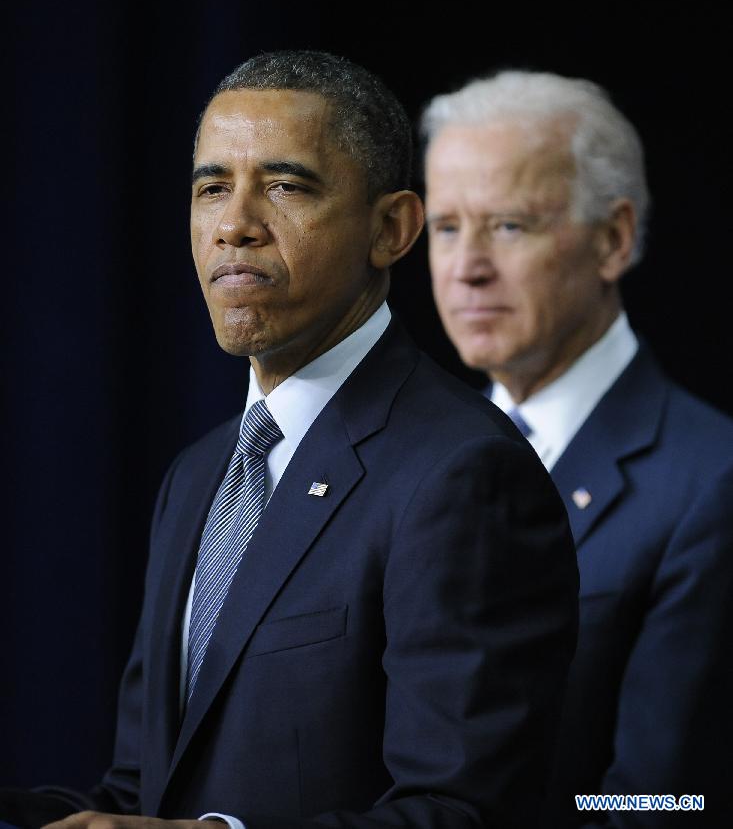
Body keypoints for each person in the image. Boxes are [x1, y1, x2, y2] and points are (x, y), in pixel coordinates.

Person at [1, 52, 578, 829]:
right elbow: (144, 800)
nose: (234, 224)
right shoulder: (199, 474)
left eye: (284, 186)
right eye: (211, 189)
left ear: (391, 228)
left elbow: (467, 812)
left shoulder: (462, 472)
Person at [423, 69, 733, 826]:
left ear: (612, 239)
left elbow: (668, 800)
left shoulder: (711, 482)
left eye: (508, 226)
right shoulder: (412, 459)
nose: (466, 268)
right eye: (446, 227)